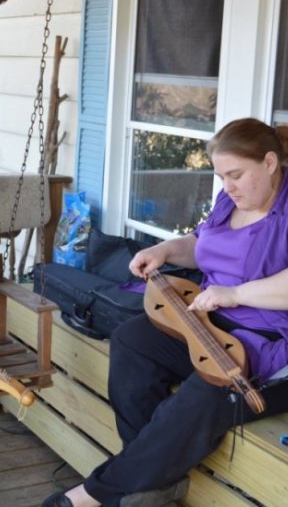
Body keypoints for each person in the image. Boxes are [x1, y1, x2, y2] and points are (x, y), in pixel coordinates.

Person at [42, 117, 288, 507]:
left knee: (205, 392)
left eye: (237, 174)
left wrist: (235, 293)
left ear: (270, 162)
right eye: (221, 175)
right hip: (205, 320)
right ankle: (151, 485)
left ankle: (96, 494)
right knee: (133, 340)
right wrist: (165, 251)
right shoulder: (231, 200)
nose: (228, 186)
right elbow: (201, 243)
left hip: (265, 345)